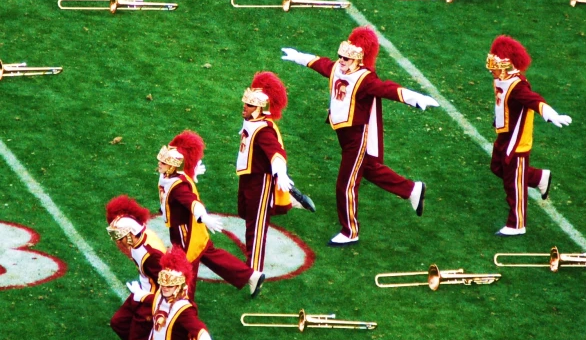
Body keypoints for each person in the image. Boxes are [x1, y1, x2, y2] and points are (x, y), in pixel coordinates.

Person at [281, 26, 439, 246]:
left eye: (347, 58)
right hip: (344, 134)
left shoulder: (365, 79)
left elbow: (387, 89)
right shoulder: (338, 68)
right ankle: (412, 190)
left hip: (356, 136)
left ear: (359, 59)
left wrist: (414, 98)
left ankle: (350, 231)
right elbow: (322, 64)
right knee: (370, 170)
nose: (342, 60)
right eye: (341, 56)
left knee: (345, 184)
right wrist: (299, 57)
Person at [157, 130, 264, 297]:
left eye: (163, 162)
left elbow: (192, 202)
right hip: (191, 229)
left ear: (172, 166)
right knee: (208, 253)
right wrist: (192, 174)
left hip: (186, 235)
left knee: (183, 273)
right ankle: (251, 276)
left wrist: (204, 216)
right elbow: (185, 179)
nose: (160, 164)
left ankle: (184, 307)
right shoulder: (170, 175)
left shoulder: (177, 186)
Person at [486, 35, 572, 236]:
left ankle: (517, 224)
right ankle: (540, 177)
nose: (492, 68)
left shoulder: (518, 86)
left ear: (509, 64)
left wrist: (551, 114)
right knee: (497, 167)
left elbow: (534, 101)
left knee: (513, 182)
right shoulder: (502, 79)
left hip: (517, 141)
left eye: (497, 63)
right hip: (505, 134)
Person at [237, 71, 315, 275]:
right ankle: (289, 198)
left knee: (256, 225)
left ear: (259, 108)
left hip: (261, 180)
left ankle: (254, 271)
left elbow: (276, 153)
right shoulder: (254, 121)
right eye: (245, 103)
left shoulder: (264, 130)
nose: (244, 107)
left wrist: (280, 172)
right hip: (248, 176)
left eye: (249, 105)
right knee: (245, 214)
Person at [106, 195, 166, 340]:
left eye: (120, 237)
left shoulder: (151, 255)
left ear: (130, 235)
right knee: (119, 322)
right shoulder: (140, 240)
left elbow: (169, 287)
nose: (119, 243)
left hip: (153, 299)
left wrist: (147, 297)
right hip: (144, 291)